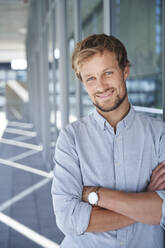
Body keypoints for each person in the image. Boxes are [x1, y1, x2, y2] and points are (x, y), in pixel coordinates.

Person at [51, 34, 165, 248]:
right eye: (90, 78)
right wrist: (145, 203)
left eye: (108, 73)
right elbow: (68, 219)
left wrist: (95, 195)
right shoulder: (71, 139)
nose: (101, 86)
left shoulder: (159, 134)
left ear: (125, 71)